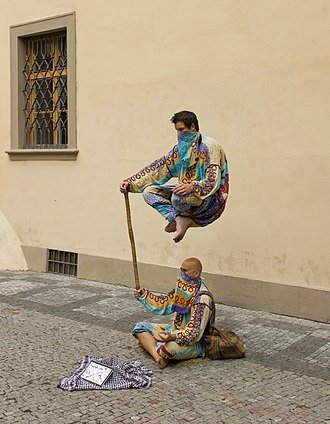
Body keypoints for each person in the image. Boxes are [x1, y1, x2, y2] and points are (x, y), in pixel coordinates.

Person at [120, 111, 229, 243]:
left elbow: (213, 180)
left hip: (208, 200)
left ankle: (184, 218)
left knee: (177, 197)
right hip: (184, 197)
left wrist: (192, 186)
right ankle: (178, 218)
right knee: (149, 192)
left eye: (182, 130)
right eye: (177, 130)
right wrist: (130, 183)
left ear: (192, 126)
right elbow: (158, 170)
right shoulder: (178, 150)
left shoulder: (210, 147)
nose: (180, 134)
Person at [132, 257, 214, 368]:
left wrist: (172, 336)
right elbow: (164, 303)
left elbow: (194, 333)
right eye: (181, 269)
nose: (181, 273)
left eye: (184, 270)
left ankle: (156, 349)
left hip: (195, 342)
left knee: (168, 349)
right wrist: (143, 295)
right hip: (173, 330)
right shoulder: (182, 289)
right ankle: (158, 357)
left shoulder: (202, 298)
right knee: (140, 327)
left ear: (196, 273)